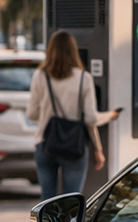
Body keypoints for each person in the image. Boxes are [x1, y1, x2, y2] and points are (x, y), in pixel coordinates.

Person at [28, 30, 119, 196]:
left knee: (47, 200)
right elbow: (90, 119)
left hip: (45, 143)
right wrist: (109, 118)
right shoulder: (84, 78)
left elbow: (32, 114)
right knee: (71, 202)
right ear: (73, 51)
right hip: (74, 146)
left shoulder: (40, 75)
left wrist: (48, 112)